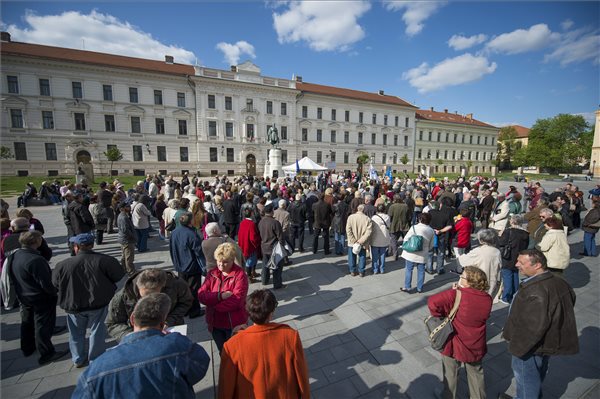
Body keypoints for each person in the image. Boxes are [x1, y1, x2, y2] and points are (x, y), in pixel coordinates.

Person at [73, 293, 210, 398]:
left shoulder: (95, 370)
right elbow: (200, 365)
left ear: (132, 319)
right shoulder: (177, 346)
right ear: (162, 324)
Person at [502, 249, 578, 399]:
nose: (517, 264)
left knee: (526, 381)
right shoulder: (559, 281)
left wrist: (517, 349)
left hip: (529, 348)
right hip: (545, 343)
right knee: (536, 376)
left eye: (522, 263)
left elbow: (533, 328)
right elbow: (570, 300)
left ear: (537, 265)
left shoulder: (536, 291)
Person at [219, 289, 310, 398]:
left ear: (249, 313)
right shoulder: (290, 336)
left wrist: (237, 335)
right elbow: (302, 376)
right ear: (271, 314)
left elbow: (226, 387)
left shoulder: (231, 346)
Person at [52, 233, 125, 367]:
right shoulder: (105, 260)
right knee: (97, 332)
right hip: (98, 303)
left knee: (75, 333)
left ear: (76, 247)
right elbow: (118, 275)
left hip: (73, 304)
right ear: (91, 245)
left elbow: (55, 283)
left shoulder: (63, 265)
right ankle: (95, 358)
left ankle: (78, 358)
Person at [428, 266, 492, 399]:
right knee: (476, 373)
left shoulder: (456, 294)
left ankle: (448, 396)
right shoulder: (487, 298)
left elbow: (432, 302)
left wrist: (442, 314)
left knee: (450, 372)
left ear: (468, 282)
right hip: (476, 342)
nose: (459, 278)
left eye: (462, 276)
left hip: (455, 340)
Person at [9, 231, 68, 365]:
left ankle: (27, 347)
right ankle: (47, 353)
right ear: (36, 242)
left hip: (24, 295)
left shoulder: (16, 255)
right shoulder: (35, 260)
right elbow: (46, 283)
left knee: (27, 322)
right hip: (40, 298)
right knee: (42, 326)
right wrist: (55, 293)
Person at [105, 269, 193, 342]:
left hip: (169, 332)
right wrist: (131, 335)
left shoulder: (177, 285)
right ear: (138, 287)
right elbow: (112, 323)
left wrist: (169, 321)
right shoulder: (123, 296)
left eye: (154, 295)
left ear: (162, 287)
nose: (150, 301)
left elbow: (186, 302)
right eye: (145, 296)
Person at [198, 242, 249, 354]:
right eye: (218, 261)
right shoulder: (212, 274)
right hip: (215, 324)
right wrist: (220, 296)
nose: (221, 265)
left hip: (233, 323)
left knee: (237, 353)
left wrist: (213, 304)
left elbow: (237, 300)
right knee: (223, 352)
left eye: (225, 262)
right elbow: (201, 295)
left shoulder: (240, 275)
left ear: (232, 260)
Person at [169, 212, 206, 318]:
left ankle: (185, 309)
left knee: (183, 290)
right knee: (193, 289)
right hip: (191, 266)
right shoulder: (191, 234)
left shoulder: (174, 232)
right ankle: (194, 311)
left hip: (180, 266)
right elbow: (198, 252)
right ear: (190, 221)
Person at [456, 229, 502, 297]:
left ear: (481, 240)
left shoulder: (478, 251)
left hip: (478, 281)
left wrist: (458, 254)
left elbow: (462, 261)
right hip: (491, 281)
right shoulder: (497, 252)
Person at [497, 214, 529, 304]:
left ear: (513, 221)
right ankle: (515, 294)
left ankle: (506, 297)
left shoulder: (508, 231)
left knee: (507, 276)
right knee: (515, 274)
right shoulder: (525, 233)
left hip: (508, 256)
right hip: (518, 256)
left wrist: (500, 235)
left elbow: (501, 242)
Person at [401, 212, 435, 293]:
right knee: (421, 270)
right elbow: (431, 244)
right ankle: (419, 288)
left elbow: (406, 238)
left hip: (411, 253)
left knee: (409, 269)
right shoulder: (431, 230)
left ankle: (407, 286)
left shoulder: (414, 228)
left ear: (420, 219)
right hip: (423, 253)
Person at [258, 204, 286, 289]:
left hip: (264, 247)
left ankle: (264, 280)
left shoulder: (261, 222)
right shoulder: (275, 223)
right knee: (276, 267)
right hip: (274, 248)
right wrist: (282, 246)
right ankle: (277, 284)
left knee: (265, 265)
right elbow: (280, 237)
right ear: (271, 212)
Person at [346, 204, 373, 277]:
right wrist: (361, 240)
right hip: (362, 242)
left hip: (352, 242)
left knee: (351, 256)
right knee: (362, 256)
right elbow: (368, 232)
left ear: (357, 209)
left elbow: (348, 230)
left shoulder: (350, 217)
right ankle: (361, 271)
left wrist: (353, 239)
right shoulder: (367, 219)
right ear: (364, 210)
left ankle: (352, 270)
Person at [237, 207, 261, 281]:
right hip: (250, 246)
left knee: (251, 260)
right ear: (251, 214)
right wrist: (258, 241)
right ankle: (249, 277)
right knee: (250, 262)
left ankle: (253, 272)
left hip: (243, 245)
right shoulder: (252, 224)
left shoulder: (242, 222)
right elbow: (253, 237)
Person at [371, 204, 391, 274]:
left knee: (375, 255)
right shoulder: (387, 217)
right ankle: (382, 268)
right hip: (384, 237)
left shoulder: (374, 217)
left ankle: (375, 269)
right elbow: (388, 226)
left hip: (375, 237)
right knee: (382, 254)